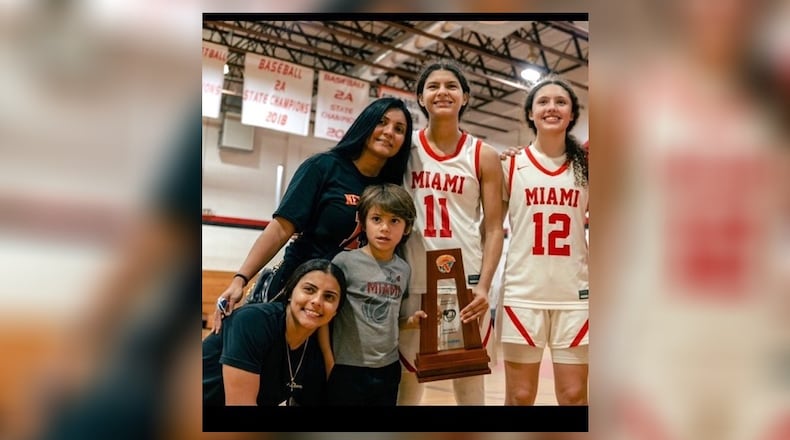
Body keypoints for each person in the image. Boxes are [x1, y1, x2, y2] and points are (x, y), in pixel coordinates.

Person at [212, 96, 413, 333]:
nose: (389, 132)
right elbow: (280, 229)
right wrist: (240, 279)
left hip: (348, 302)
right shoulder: (323, 167)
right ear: (366, 123)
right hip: (299, 289)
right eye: (382, 122)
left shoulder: (392, 188)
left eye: (399, 129)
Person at [398, 60, 505, 405]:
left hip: (465, 284)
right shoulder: (404, 149)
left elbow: (493, 228)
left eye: (451, 86)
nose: (442, 91)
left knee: (469, 381)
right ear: (421, 98)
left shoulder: (483, 155)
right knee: (407, 382)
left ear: (465, 98)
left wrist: (485, 285)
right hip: (412, 279)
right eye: (433, 86)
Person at [499, 75, 589, 405]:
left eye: (561, 102)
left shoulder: (589, 169)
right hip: (524, 294)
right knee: (520, 396)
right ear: (531, 113)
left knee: (575, 395)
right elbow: (492, 230)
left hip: (575, 295)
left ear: (572, 114)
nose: (552, 107)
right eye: (543, 102)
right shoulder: (509, 164)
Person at [321, 183, 426, 405]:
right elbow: (324, 318)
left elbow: (391, 318)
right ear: (363, 222)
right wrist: (329, 360)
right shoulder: (343, 262)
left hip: (387, 368)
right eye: (377, 219)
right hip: (346, 367)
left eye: (394, 221)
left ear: (407, 228)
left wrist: (411, 321)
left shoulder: (404, 269)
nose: (385, 228)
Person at [203, 258, 347, 406]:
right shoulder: (253, 321)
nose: (317, 301)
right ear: (290, 293)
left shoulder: (317, 347)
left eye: (329, 297)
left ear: (336, 311)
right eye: (309, 289)